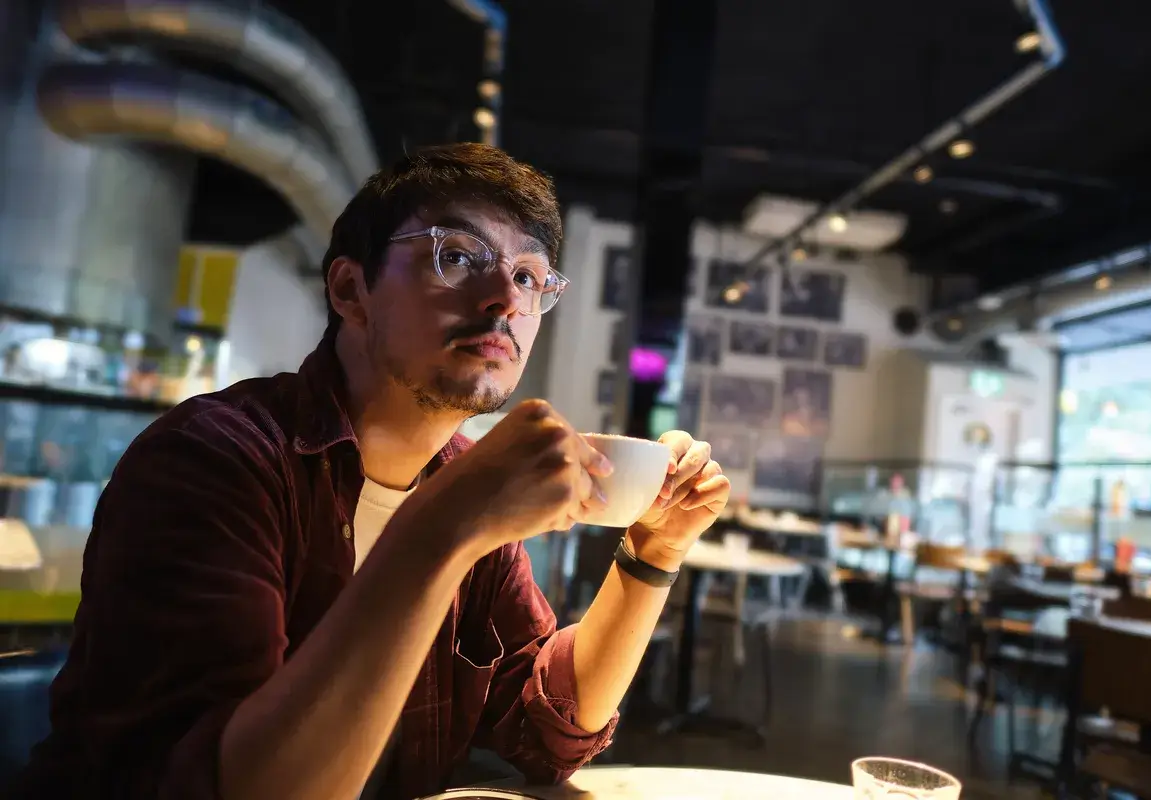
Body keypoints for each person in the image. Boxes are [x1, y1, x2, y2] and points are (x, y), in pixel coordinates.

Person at [14, 143, 729, 800]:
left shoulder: (461, 479)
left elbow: (545, 730)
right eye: (457, 256)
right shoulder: (213, 460)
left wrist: (652, 553)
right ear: (351, 290)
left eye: (527, 276)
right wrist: (445, 528)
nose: (507, 300)